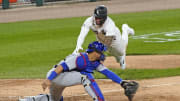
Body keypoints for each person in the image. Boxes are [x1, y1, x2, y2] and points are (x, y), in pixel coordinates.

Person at [19, 41, 138, 101]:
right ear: (95, 52)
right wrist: (48, 79)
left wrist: (122, 82)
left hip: (61, 79)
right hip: (56, 76)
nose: (102, 55)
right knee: (85, 77)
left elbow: (107, 72)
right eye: (100, 52)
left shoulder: (94, 63)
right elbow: (60, 68)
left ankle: (30, 100)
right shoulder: (79, 59)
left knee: (55, 99)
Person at [73, 5, 135, 69]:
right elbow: (82, 35)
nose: (97, 20)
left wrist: (96, 53)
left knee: (121, 52)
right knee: (112, 52)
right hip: (101, 37)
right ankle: (121, 60)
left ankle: (125, 30)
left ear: (104, 18)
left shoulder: (110, 25)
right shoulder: (89, 21)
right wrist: (78, 46)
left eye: (99, 18)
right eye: (96, 17)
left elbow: (107, 43)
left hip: (113, 38)